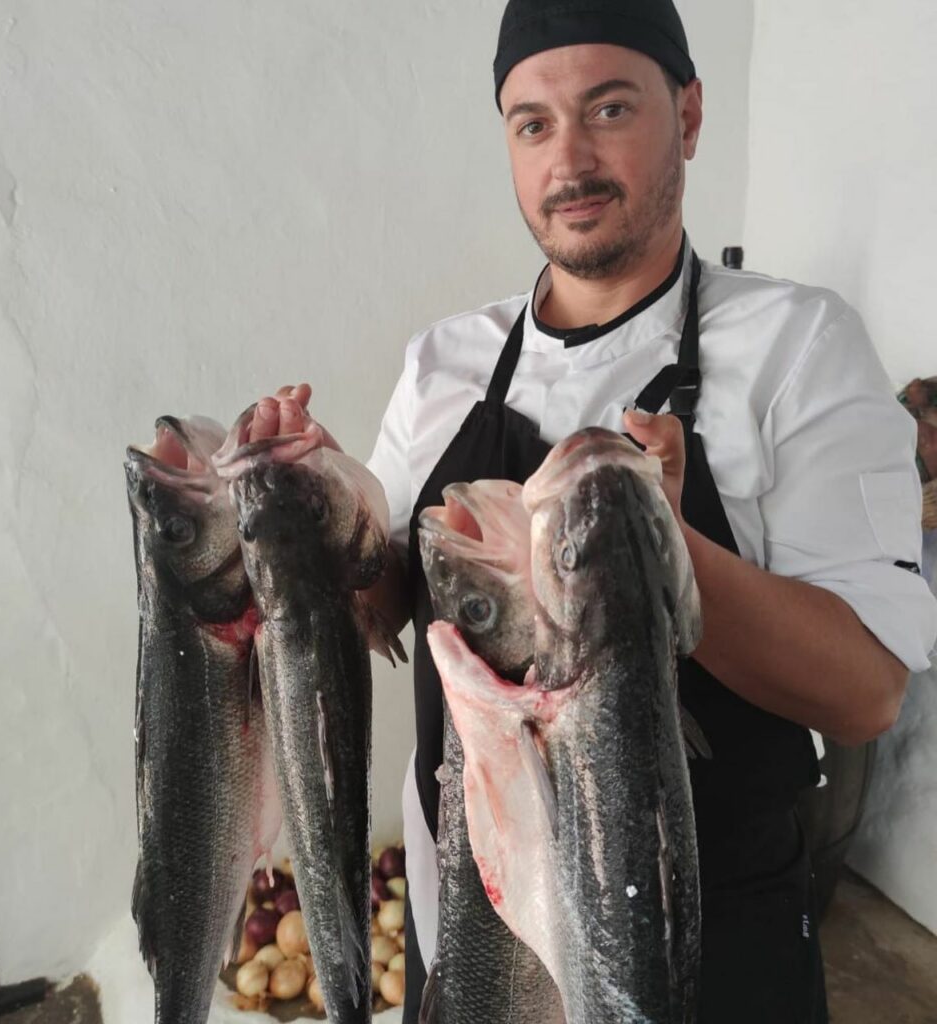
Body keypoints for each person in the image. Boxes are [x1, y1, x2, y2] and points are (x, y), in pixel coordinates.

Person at [248, 1, 937, 1020]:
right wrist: (315, 523)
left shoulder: (797, 347)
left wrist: (666, 556)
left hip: (710, 950)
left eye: (608, 108)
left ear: (690, 115)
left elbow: (866, 692)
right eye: (532, 124)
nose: (567, 160)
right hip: (477, 930)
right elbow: (390, 607)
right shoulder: (446, 360)